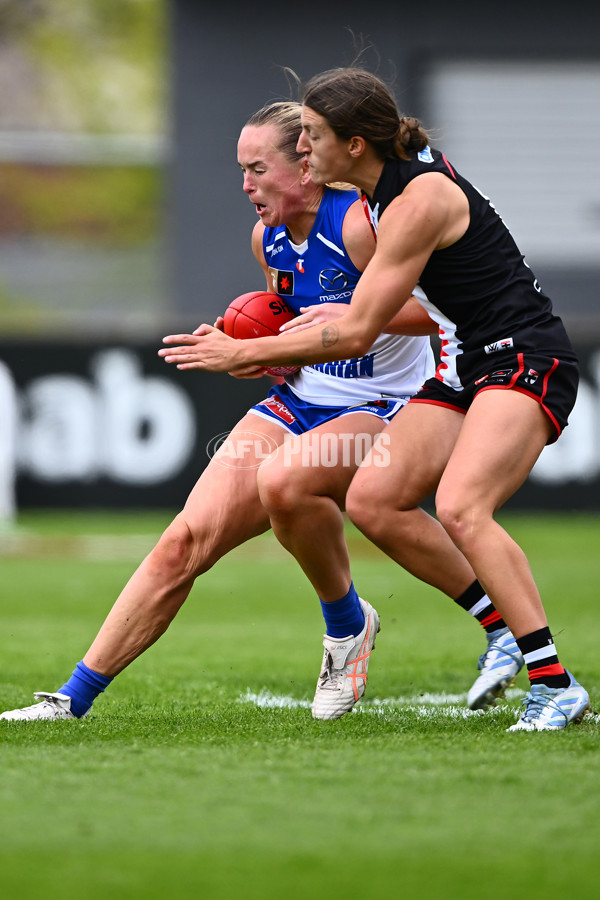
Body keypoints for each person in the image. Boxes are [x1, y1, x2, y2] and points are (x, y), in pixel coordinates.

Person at [1, 101, 516, 725]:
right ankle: (70, 701)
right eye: (240, 170)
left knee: (285, 483)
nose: (245, 185)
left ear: (305, 168)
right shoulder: (265, 238)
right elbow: (287, 328)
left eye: (256, 169)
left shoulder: (356, 223)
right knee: (182, 543)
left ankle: (387, 627)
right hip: (302, 399)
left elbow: (435, 309)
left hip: (387, 402)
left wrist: (343, 321)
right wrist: (263, 356)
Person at [159, 70, 591, 732]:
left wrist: (244, 353)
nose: (302, 151)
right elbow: (372, 311)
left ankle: (553, 681)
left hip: (525, 355)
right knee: (372, 501)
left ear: (355, 144)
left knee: (461, 508)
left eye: (312, 138)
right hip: (467, 362)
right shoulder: (383, 187)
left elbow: (360, 330)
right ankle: (502, 630)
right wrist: (324, 316)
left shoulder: (417, 200)